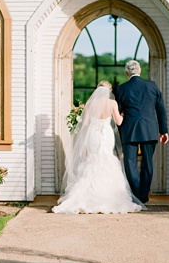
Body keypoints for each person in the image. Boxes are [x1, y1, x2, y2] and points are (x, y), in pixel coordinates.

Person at [53, 81, 144, 214]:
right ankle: (108, 195)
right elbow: (118, 122)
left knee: (92, 159)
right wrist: (123, 114)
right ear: (109, 91)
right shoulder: (113, 103)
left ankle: (86, 194)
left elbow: (85, 124)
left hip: (93, 134)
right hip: (106, 134)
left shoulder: (90, 103)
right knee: (107, 158)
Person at [115, 60, 169, 203]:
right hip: (149, 129)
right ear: (140, 71)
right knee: (148, 163)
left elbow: (118, 113)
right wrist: (164, 131)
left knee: (130, 163)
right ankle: (143, 196)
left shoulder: (121, 89)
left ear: (127, 73)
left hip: (129, 130)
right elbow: (160, 109)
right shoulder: (152, 86)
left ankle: (135, 195)